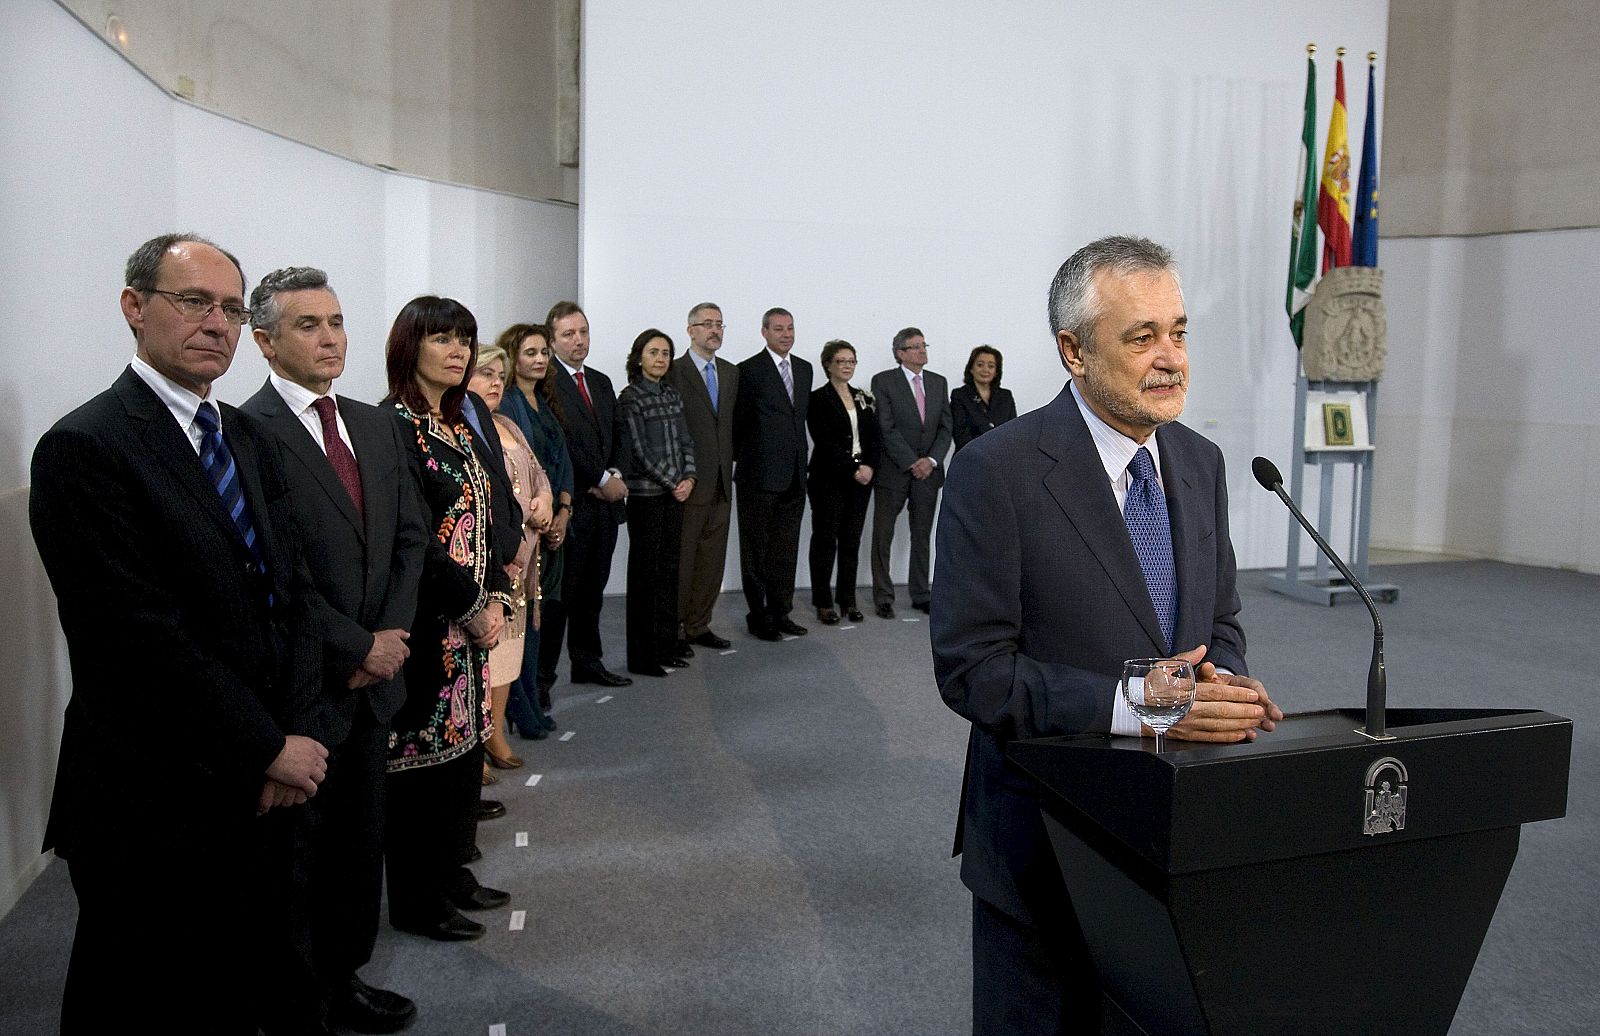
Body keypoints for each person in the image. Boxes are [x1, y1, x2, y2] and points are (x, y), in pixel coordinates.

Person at [930, 236, 1283, 1036]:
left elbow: (1218, 621)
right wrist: (1154, 702)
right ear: (1074, 351)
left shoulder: (1202, 461)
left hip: (1174, 844)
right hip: (1045, 850)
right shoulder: (997, 471)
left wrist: (1221, 685)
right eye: (1142, 336)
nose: (1172, 359)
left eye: (1180, 332)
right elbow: (974, 674)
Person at [29, 233, 328, 1035]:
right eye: (194, 302)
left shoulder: (245, 434)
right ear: (134, 307)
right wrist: (266, 747)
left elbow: (292, 595)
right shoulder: (85, 447)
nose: (218, 325)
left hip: (264, 776)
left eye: (231, 309)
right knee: (147, 999)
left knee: (244, 987)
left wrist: (293, 733)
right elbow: (136, 640)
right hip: (153, 794)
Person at [240, 266, 427, 1034]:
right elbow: (269, 570)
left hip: (376, 678)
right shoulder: (244, 431)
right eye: (309, 325)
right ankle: (301, 1002)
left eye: (338, 322)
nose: (330, 338)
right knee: (296, 862)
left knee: (360, 844)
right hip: (304, 684)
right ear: (265, 340)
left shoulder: (374, 423)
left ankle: (345, 977)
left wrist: (390, 640)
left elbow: (411, 539)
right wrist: (355, 645)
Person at [381, 296, 515, 943]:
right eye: (443, 339)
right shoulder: (392, 427)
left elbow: (483, 520)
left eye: (466, 338)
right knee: (423, 764)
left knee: (463, 756)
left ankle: (453, 874)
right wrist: (470, 605)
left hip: (474, 625)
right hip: (430, 623)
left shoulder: (460, 423)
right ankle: (418, 898)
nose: (460, 351)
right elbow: (416, 539)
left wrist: (495, 599)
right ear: (411, 346)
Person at [466, 343, 553, 775]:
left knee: (509, 655)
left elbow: (539, 478)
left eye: (500, 374)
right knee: (484, 655)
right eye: (485, 373)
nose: (496, 381)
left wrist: (546, 502)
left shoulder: (507, 426)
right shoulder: (462, 428)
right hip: (492, 566)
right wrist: (524, 520)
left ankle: (496, 732)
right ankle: (475, 743)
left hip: (522, 571)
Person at [539, 301, 633, 688]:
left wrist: (615, 472)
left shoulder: (600, 380)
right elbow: (559, 443)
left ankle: (587, 662)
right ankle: (543, 679)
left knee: (592, 591)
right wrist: (597, 477)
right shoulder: (546, 382)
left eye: (583, 332)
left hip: (604, 509)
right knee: (560, 599)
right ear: (552, 340)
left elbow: (618, 432)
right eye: (568, 334)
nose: (579, 341)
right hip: (571, 505)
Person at [497, 323, 573, 732]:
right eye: (531, 352)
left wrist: (563, 508)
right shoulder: (506, 406)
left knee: (544, 620)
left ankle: (535, 699)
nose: (540, 359)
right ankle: (521, 709)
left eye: (544, 352)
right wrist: (541, 517)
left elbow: (559, 465)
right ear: (514, 358)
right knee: (521, 626)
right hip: (527, 534)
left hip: (555, 527)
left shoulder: (545, 401)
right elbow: (515, 475)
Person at [617, 329, 697, 676]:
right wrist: (673, 481)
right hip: (647, 497)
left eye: (665, 353)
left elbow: (686, 441)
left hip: (674, 495)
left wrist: (690, 478)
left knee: (669, 572)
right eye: (653, 352)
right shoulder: (630, 397)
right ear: (639, 358)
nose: (661, 359)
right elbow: (639, 451)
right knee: (644, 576)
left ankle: (666, 646)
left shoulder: (671, 395)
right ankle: (642, 656)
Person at [732, 307, 812, 640]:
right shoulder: (747, 370)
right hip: (758, 476)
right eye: (779, 329)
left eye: (790, 328)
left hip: (795, 475)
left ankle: (781, 612)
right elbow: (737, 423)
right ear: (764, 332)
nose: (786, 334)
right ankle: (759, 614)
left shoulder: (805, 370)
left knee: (786, 549)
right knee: (756, 551)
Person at [664, 302, 739, 653]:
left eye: (719, 324)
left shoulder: (730, 372)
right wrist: (679, 474)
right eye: (707, 324)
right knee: (682, 561)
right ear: (690, 329)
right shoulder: (673, 371)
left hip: (723, 481)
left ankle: (698, 625)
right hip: (688, 483)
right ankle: (675, 628)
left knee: (712, 561)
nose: (715, 330)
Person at [870, 327, 952, 618]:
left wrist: (930, 460)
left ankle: (920, 593)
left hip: (928, 474)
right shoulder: (883, 382)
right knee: (883, 535)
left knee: (922, 535)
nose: (922, 350)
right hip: (893, 472)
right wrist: (911, 461)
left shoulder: (939, 383)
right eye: (915, 346)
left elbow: (946, 427)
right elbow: (886, 427)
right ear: (900, 353)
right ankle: (883, 595)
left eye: (923, 345)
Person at [805, 339, 880, 625]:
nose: (847, 366)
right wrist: (853, 469)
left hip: (862, 479)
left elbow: (874, 436)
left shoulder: (863, 396)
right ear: (828, 365)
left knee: (851, 540)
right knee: (825, 540)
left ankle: (847, 599)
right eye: (841, 361)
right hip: (829, 479)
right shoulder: (818, 399)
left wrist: (870, 466)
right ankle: (823, 602)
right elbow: (824, 441)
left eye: (851, 361)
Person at [950, 345, 1018, 452]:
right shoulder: (960, 395)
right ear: (971, 368)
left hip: (1001, 458)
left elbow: (1012, 430)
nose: (985, 369)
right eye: (980, 365)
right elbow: (961, 435)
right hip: (970, 457)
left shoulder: (1006, 396)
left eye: (991, 366)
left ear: (996, 371)